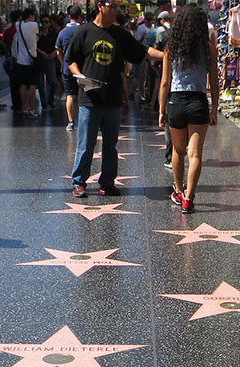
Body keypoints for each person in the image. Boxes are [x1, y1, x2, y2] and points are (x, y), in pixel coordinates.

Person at [66, 0, 163, 197]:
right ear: (100, 6)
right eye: (112, 6)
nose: (115, 10)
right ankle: (79, 182)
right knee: (86, 143)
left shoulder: (120, 34)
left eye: (117, 7)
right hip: (90, 99)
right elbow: (71, 60)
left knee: (111, 144)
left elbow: (143, 52)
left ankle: (107, 181)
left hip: (113, 99)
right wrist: (79, 76)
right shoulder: (84, 32)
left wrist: (166, 56)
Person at [159, 4, 219, 214]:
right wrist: (215, 108)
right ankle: (188, 198)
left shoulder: (170, 48)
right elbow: (214, 80)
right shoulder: (209, 48)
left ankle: (177, 189)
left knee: (178, 150)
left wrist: (161, 110)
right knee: (195, 154)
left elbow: (165, 82)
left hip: (175, 101)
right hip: (198, 101)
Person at [55, 6, 83, 132]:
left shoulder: (62, 32)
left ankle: (71, 122)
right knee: (84, 95)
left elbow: (58, 51)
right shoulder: (82, 30)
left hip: (67, 68)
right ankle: (84, 120)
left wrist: (63, 62)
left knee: (69, 95)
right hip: (81, 68)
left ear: (68, 16)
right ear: (80, 16)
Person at [12, 7, 40, 119]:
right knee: (32, 85)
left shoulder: (18, 25)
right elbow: (37, 37)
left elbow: (19, 21)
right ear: (31, 16)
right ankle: (32, 109)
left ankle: (24, 108)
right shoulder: (34, 25)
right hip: (32, 59)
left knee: (23, 85)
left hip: (21, 60)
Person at [36, 15, 60, 111]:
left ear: (50, 24)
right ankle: (44, 103)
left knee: (53, 81)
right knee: (40, 83)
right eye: (43, 22)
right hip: (40, 60)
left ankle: (51, 99)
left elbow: (57, 46)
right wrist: (42, 53)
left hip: (50, 60)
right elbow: (34, 46)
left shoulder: (53, 35)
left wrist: (54, 53)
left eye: (47, 22)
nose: (45, 24)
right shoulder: (38, 34)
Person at [2, 10, 22, 111]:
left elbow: (4, 44)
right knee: (22, 83)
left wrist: (7, 55)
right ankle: (23, 102)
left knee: (13, 84)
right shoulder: (21, 29)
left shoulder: (8, 30)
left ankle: (16, 104)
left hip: (12, 59)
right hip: (22, 59)